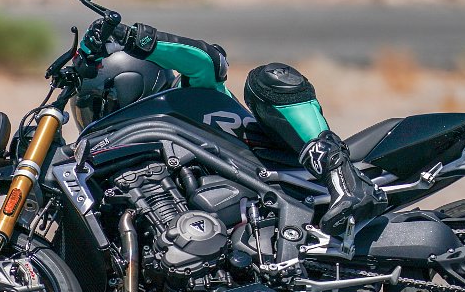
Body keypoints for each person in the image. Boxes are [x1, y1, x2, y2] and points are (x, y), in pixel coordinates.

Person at [79, 20, 387, 235]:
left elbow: (209, 60)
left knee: (268, 78)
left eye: (96, 103)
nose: (92, 116)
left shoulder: (190, 97)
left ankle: (345, 180)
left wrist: (136, 38)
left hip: (289, 173)